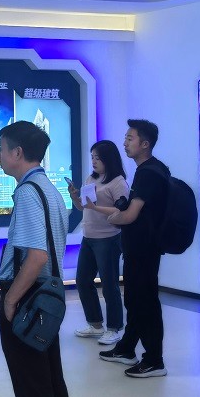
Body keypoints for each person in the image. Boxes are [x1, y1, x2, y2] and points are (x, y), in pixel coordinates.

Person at [0, 120, 70, 397]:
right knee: (52, 386)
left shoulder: (27, 192)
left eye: (2, 149)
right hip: (46, 301)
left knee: (36, 395)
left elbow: (37, 256)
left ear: (18, 152)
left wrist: (10, 300)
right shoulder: (48, 187)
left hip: (27, 301)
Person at [99, 119, 170, 378]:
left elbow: (130, 215)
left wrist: (114, 218)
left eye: (130, 138)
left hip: (143, 248)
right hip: (141, 247)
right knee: (135, 299)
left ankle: (154, 360)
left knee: (144, 302)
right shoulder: (155, 168)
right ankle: (127, 348)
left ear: (145, 144)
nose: (125, 143)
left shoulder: (148, 173)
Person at [68, 140, 129, 346]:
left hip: (108, 238)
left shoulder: (118, 182)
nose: (94, 161)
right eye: (92, 157)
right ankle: (95, 324)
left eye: (98, 158)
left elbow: (121, 211)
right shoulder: (91, 178)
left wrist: (95, 208)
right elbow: (83, 207)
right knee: (83, 280)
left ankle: (114, 328)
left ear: (108, 159)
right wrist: (75, 198)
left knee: (109, 284)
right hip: (89, 237)